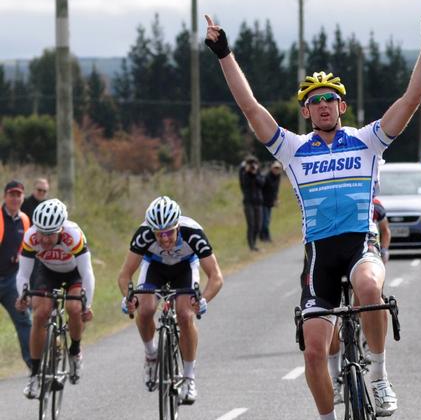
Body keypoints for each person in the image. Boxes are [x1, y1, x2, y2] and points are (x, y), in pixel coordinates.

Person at [205, 1, 421, 420]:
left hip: (360, 244)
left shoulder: (368, 140)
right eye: (314, 100)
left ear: (342, 106)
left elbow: (411, 99)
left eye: (330, 98)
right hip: (320, 256)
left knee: (372, 290)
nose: (323, 105)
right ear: (306, 110)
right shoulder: (292, 149)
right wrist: (223, 53)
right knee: (315, 350)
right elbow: (249, 106)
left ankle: (378, 376)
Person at [117, 196, 223, 404]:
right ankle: (151, 355)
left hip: (185, 267)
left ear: (177, 227)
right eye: (159, 234)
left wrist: (204, 300)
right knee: (145, 309)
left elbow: (216, 277)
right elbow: (124, 274)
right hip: (155, 267)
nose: (164, 239)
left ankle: (189, 376)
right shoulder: (143, 235)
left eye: (168, 233)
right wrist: (128, 297)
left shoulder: (193, 233)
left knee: (185, 314)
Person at [15, 199, 95, 399]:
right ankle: (34, 375)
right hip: (47, 272)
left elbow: (87, 273)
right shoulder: (31, 236)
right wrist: (22, 295)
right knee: (40, 314)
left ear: (61, 229)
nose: (44, 238)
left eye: (50, 234)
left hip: (74, 273)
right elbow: (23, 274)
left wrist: (88, 304)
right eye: (41, 231)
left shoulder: (73, 235)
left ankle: (75, 351)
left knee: (74, 307)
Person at [328, 195, 392, 404]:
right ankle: (335, 378)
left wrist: (384, 252)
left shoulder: (376, 206)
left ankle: (364, 333)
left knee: (369, 295)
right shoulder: (328, 202)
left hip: (364, 251)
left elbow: (385, 231)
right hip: (332, 255)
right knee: (330, 316)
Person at [0, 180, 32, 369]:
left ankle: (34, 365)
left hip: (12, 280)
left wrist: (20, 255)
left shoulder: (25, 220)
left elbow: (27, 247)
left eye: (18, 195)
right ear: (5, 196)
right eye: (12, 194)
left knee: (24, 320)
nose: (15, 198)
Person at [239, 155, 265, 251]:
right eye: (250, 164)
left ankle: (254, 243)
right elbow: (243, 184)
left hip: (258, 202)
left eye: (254, 164)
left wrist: (255, 174)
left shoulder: (258, 173)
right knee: (251, 224)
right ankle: (251, 246)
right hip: (248, 202)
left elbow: (262, 183)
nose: (252, 166)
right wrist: (247, 172)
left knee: (258, 225)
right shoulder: (243, 173)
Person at [260, 161, 283, 242]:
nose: (276, 170)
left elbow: (275, 190)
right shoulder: (266, 176)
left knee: (267, 220)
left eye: (278, 168)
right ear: (272, 168)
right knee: (265, 221)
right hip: (263, 201)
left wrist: (276, 199)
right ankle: (266, 238)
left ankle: (263, 237)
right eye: (275, 168)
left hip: (270, 202)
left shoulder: (278, 177)